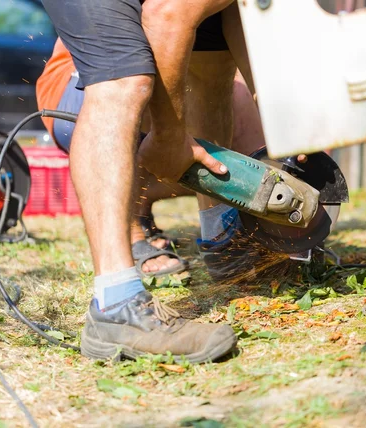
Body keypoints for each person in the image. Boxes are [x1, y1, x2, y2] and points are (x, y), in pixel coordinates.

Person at [39, 0, 258, 363]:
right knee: (122, 82)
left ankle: (226, 242)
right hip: (78, 86)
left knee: (213, 68)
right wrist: (170, 137)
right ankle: (116, 304)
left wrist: (286, 122)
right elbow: (166, 13)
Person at [36, 38, 267, 281]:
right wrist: (170, 134)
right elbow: (161, 34)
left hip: (158, 70)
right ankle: (131, 235)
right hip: (84, 91)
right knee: (144, 79)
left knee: (227, 90)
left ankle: (213, 227)